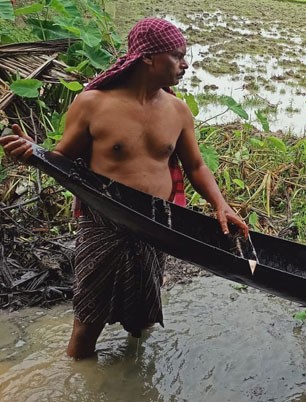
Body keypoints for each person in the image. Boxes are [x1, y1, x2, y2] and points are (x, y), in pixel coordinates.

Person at [0, 18, 249, 359]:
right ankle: (80, 380)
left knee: (144, 318)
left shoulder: (177, 110)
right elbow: (62, 159)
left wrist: (221, 204)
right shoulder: (93, 104)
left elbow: (196, 166)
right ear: (148, 57)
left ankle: (135, 375)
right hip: (103, 224)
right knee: (88, 320)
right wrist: (34, 154)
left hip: (154, 226)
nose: (185, 64)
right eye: (177, 56)